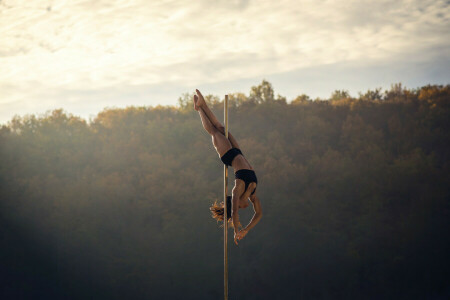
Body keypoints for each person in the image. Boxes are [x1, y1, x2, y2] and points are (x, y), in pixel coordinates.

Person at [194, 89, 262, 245]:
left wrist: (237, 231)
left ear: (236, 203)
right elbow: (258, 214)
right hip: (238, 152)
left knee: (213, 131)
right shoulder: (253, 194)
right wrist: (246, 229)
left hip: (229, 156)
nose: (246, 208)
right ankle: (202, 104)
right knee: (220, 127)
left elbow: (234, 212)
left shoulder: (237, 190)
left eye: (240, 208)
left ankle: (199, 109)